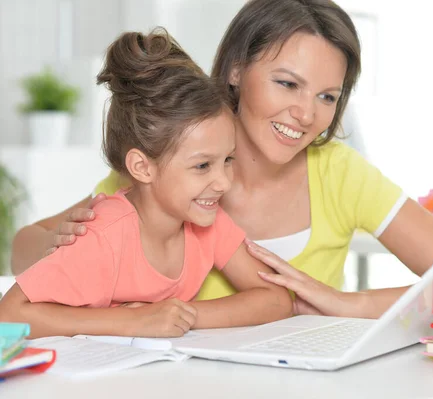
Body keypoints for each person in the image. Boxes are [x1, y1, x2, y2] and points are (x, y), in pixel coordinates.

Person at [10, 0, 433, 320]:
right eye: (287, 83)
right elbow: (23, 254)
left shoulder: (339, 172)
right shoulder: (162, 170)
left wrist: (347, 303)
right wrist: (64, 241)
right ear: (234, 70)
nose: (305, 114)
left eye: (327, 96)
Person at [0, 29, 293, 339]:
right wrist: (132, 321)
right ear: (142, 167)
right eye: (202, 165)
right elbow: (9, 314)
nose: (222, 182)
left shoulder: (206, 222)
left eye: (228, 160)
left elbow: (275, 299)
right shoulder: (104, 236)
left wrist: (182, 315)